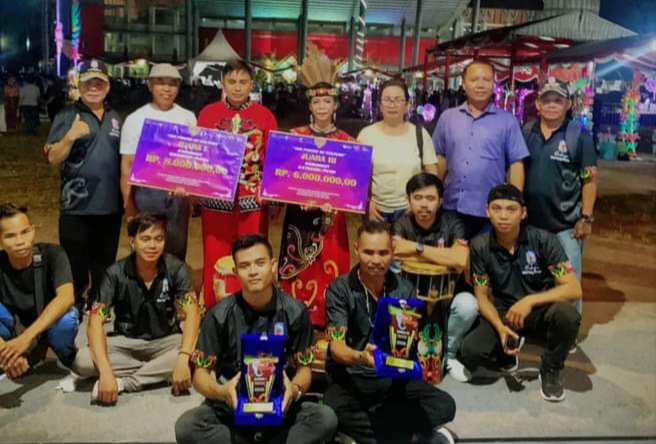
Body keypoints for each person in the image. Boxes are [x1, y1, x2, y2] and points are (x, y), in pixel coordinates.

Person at [175, 234, 338, 444]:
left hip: (281, 405)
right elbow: (200, 375)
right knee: (187, 427)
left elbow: (304, 369)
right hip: (233, 405)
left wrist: (294, 389)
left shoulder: (295, 311)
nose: (253, 271)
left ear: (273, 266)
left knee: (325, 419)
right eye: (244, 266)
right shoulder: (219, 315)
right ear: (236, 272)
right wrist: (221, 391)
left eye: (260, 263)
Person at [324, 220, 456, 444]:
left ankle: (387, 432)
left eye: (383, 253)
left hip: (393, 378)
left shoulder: (405, 289)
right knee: (333, 409)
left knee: (445, 405)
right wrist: (361, 357)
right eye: (368, 252)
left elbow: (412, 341)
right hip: (353, 378)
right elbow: (337, 348)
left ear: (393, 251)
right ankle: (412, 435)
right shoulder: (340, 289)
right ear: (356, 249)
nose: (376, 260)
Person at [460, 185, 582, 402]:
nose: (503, 216)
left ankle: (551, 369)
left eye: (511, 209)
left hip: (539, 311)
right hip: (504, 313)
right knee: (471, 352)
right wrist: (500, 328)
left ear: (523, 213)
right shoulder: (479, 246)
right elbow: (481, 296)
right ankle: (506, 354)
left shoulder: (544, 240)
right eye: (496, 208)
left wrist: (529, 301)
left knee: (568, 315)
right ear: (487, 211)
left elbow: (573, 288)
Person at [71, 213, 201, 404]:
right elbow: (95, 322)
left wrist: (182, 358)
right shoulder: (114, 273)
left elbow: (193, 312)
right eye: (145, 239)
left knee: (198, 350)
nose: (152, 245)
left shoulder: (176, 268)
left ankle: (125, 383)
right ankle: (159, 371)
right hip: (126, 343)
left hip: (166, 340)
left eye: (159, 239)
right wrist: (105, 371)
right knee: (81, 361)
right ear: (132, 242)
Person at [197, 60, 278, 309]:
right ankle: (215, 310)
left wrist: (273, 198)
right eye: (232, 82)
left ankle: (254, 307)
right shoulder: (208, 114)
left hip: (252, 199)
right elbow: (199, 153)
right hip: (216, 199)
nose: (237, 87)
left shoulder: (265, 116)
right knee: (214, 254)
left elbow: (273, 159)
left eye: (243, 82)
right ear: (223, 83)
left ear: (251, 84)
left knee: (253, 256)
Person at [44, 59, 122, 311]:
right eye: (88, 83)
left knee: (104, 265)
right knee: (75, 266)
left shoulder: (115, 117)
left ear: (107, 86)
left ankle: (99, 308)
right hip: (76, 207)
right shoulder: (67, 115)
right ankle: (74, 310)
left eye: (99, 83)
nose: (94, 88)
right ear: (80, 84)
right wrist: (70, 136)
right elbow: (53, 158)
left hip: (110, 207)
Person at [278, 81, 352, 329]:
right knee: (299, 263)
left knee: (330, 261)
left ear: (335, 105)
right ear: (309, 106)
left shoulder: (348, 142)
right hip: (299, 213)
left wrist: (337, 199)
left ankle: (330, 316)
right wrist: (298, 195)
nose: (322, 106)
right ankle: (296, 316)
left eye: (327, 101)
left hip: (332, 215)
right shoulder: (294, 137)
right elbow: (283, 176)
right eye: (317, 101)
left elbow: (351, 183)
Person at [392, 172, 478, 382]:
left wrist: (416, 248)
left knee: (468, 305)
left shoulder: (453, 223)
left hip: (447, 297)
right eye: (418, 198)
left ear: (440, 201)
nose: (424, 204)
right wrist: (443, 257)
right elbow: (395, 251)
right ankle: (405, 356)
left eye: (430, 198)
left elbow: (460, 260)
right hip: (409, 297)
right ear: (408, 200)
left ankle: (449, 355)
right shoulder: (401, 223)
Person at [523, 79, 598, 315]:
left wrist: (586, 218)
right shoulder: (527, 132)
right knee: (532, 279)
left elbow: (589, 179)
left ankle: (569, 328)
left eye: (558, 100)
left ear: (568, 105)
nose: (552, 105)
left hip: (566, 228)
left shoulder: (579, 136)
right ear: (538, 104)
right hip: (530, 226)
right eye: (546, 100)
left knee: (568, 285)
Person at [432, 60, 529, 239]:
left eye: (486, 79)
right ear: (463, 83)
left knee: (485, 255)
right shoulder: (448, 118)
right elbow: (440, 158)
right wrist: (434, 195)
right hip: (452, 207)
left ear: (493, 84)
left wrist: (515, 202)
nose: (481, 84)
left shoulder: (507, 121)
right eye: (474, 79)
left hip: (491, 210)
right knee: (452, 254)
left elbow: (516, 163)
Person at [120, 63, 197, 261]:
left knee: (176, 253)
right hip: (146, 197)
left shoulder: (188, 118)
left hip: (178, 198)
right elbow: (127, 167)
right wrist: (129, 208)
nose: (167, 89)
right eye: (161, 83)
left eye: (172, 84)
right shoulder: (135, 119)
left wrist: (191, 198)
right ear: (150, 85)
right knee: (147, 253)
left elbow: (194, 160)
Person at [0, 203, 78, 379]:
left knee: (67, 319)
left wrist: (24, 340)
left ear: (33, 230)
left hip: (48, 322)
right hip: (14, 325)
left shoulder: (53, 254)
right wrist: (7, 352)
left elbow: (66, 297)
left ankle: (62, 353)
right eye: (10, 236)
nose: (20, 241)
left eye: (25, 232)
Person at [358, 78, 438, 225]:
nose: (392, 105)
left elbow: (432, 173)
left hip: (410, 211)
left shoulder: (419, 134)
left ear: (407, 105)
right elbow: (357, 176)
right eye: (387, 99)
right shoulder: (366, 135)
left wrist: (419, 203)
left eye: (398, 100)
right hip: (376, 211)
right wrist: (366, 202)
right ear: (380, 105)